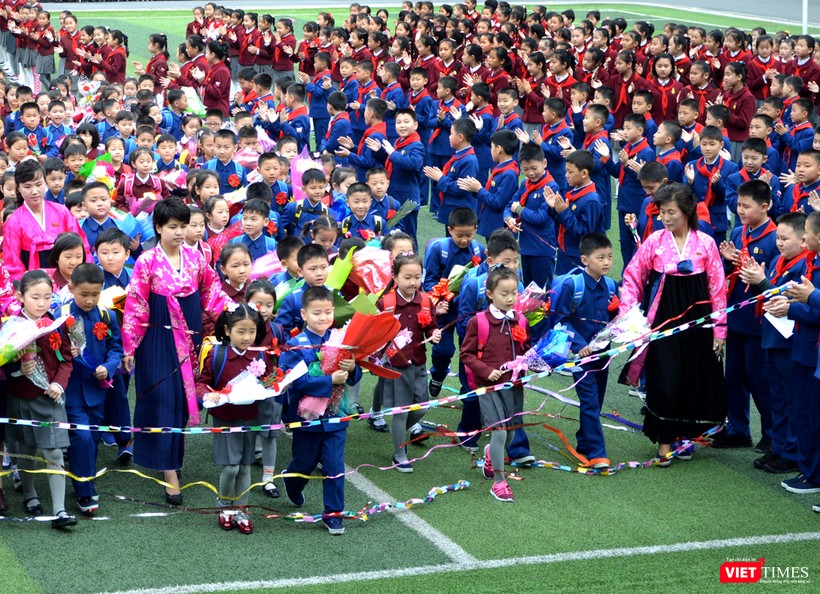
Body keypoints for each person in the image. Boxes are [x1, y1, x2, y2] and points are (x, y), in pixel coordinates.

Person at [122, 198, 224, 505]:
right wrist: (130, 345)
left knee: (180, 401)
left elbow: (212, 292)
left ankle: (169, 459)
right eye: (172, 227)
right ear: (158, 228)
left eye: (183, 226)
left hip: (190, 336)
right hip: (157, 338)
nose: (179, 232)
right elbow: (136, 304)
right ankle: (170, 474)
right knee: (163, 399)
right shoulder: (146, 261)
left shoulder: (196, 258)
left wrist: (232, 316)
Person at [619, 183, 727, 464]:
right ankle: (665, 439)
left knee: (692, 375)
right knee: (665, 378)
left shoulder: (706, 243)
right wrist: (630, 316)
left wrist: (719, 329)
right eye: (662, 212)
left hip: (698, 321)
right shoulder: (655, 241)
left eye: (671, 212)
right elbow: (632, 277)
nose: (665, 218)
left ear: (687, 211)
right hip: (663, 319)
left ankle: (685, 436)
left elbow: (717, 288)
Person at [279, 286, 362, 535]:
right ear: (304, 314)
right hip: (306, 418)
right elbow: (296, 382)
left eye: (327, 312)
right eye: (316, 313)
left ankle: (334, 514)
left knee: (334, 466)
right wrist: (329, 381)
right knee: (304, 462)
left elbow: (354, 377)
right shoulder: (295, 345)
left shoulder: (340, 339)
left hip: (336, 415)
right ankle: (292, 481)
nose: (323, 317)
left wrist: (353, 367)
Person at [2, 270, 76, 529]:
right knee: (25, 448)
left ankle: (60, 510)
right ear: (20, 296)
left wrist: (58, 383)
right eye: (35, 297)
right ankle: (30, 494)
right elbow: (3, 363)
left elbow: (66, 359)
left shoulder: (56, 323)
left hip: (50, 397)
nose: (42, 303)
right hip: (20, 396)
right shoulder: (10, 327)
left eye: (47, 297)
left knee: (54, 450)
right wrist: (17, 369)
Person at [740, 212, 807, 474]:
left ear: (803, 240)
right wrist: (756, 280)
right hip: (772, 337)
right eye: (778, 237)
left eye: (784, 238)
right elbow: (770, 296)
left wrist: (762, 281)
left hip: (789, 342)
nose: (779, 243)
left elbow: (784, 299)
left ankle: (792, 452)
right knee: (776, 397)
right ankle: (778, 446)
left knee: (791, 400)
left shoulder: (803, 267)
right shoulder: (781, 260)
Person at [714, 180, 778, 450]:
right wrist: (729, 261)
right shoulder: (739, 232)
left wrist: (753, 272)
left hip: (759, 319)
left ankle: (772, 434)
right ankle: (738, 429)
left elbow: (775, 279)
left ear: (765, 207)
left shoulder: (775, 238)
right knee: (734, 376)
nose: (740, 210)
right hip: (736, 314)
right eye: (739, 205)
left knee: (759, 378)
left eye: (746, 206)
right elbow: (730, 273)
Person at [198, 304, 271, 535]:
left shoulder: (259, 355)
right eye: (241, 331)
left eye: (252, 331)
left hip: (250, 417)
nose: (247, 337)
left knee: (245, 466)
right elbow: (201, 382)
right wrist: (206, 394)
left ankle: (242, 508)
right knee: (231, 467)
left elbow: (268, 381)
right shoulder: (217, 354)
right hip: (226, 419)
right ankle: (224, 505)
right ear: (228, 330)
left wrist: (275, 385)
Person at [461, 265, 530, 502]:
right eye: (504, 293)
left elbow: (526, 350)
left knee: (510, 433)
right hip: (488, 388)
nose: (510, 298)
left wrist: (537, 362)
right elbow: (466, 354)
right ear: (490, 294)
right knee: (499, 432)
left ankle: (491, 453)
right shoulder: (479, 321)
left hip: (514, 387)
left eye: (514, 293)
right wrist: (486, 371)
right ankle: (499, 482)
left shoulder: (521, 320)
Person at [550, 233, 619, 468]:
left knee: (596, 401)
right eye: (601, 257)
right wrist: (579, 345)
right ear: (584, 259)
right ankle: (598, 453)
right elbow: (560, 320)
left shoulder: (611, 286)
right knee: (589, 401)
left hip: (603, 355)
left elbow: (614, 320)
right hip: (580, 358)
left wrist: (620, 320)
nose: (607, 262)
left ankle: (584, 442)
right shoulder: (573, 285)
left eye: (610, 257)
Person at [763, 210, 820, 496]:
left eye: (807, 233)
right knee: (801, 410)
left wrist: (792, 308)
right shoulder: (812, 262)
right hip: (801, 346)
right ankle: (806, 467)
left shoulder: (811, 266)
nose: (805, 238)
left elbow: (815, 310)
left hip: (811, 349)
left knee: (811, 415)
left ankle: (812, 472)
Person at [63, 263, 123, 515]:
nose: (89, 300)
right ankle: (85, 491)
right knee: (83, 438)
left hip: (99, 390)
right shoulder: (62, 316)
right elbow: (53, 351)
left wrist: (108, 367)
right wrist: (66, 352)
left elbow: (116, 348)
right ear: (71, 288)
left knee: (94, 439)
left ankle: (83, 478)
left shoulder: (107, 315)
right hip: (72, 391)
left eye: (95, 294)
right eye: (84, 294)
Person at [376, 254, 442, 472]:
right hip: (396, 365)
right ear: (395, 277)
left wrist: (434, 334)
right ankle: (399, 454)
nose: (413, 282)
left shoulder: (425, 301)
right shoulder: (386, 303)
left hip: (419, 362)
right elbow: (375, 333)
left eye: (417, 277)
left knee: (422, 407)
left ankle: (399, 434)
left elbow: (431, 325)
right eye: (407, 277)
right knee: (401, 411)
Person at [4, 159, 91, 280]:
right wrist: (25, 286)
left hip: (66, 279)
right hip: (33, 282)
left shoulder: (61, 212)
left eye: (39, 184)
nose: (34, 191)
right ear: (18, 188)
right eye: (27, 186)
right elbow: (13, 263)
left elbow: (82, 245)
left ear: (45, 183)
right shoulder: (14, 221)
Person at [245, 279, 286, 498]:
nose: (263, 310)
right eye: (258, 304)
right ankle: (244, 475)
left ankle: (268, 478)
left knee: (270, 435)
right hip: (244, 393)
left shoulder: (277, 330)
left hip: (270, 390)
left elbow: (284, 358)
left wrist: (279, 379)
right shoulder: (239, 328)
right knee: (247, 433)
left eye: (269, 305)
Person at [503, 142, 560, 288]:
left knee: (542, 291)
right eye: (525, 169)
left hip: (542, 248)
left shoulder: (551, 186)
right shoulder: (526, 184)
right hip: (526, 246)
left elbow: (541, 217)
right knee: (528, 289)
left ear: (544, 163)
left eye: (534, 168)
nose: (530, 173)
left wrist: (519, 210)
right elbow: (510, 205)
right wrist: (509, 218)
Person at [546, 150, 604, 274]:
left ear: (584, 173)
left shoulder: (591, 200)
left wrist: (564, 212)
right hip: (567, 252)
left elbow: (584, 233)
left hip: (578, 257)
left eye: (570, 172)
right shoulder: (575, 192)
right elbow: (563, 222)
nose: (566, 175)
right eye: (566, 171)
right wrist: (555, 208)